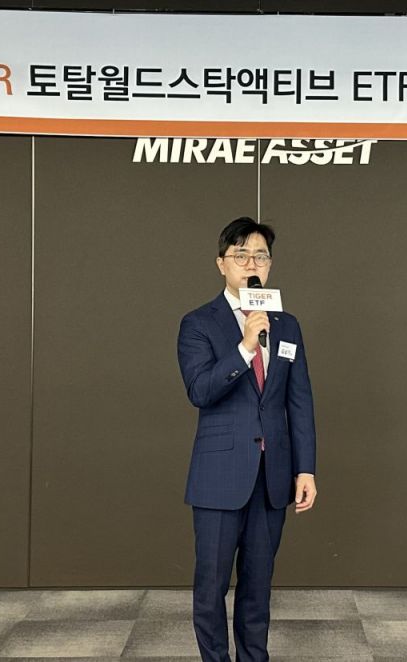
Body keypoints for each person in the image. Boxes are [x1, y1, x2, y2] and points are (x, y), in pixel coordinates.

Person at [177, 217, 317, 662]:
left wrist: (305, 469)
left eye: (260, 256)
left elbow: (299, 401)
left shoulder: (287, 325)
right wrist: (245, 347)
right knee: (211, 589)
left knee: (258, 589)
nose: (251, 263)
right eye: (241, 255)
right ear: (222, 264)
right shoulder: (198, 323)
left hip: (272, 477)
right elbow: (200, 391)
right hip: (220, 477)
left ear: (269, 265)